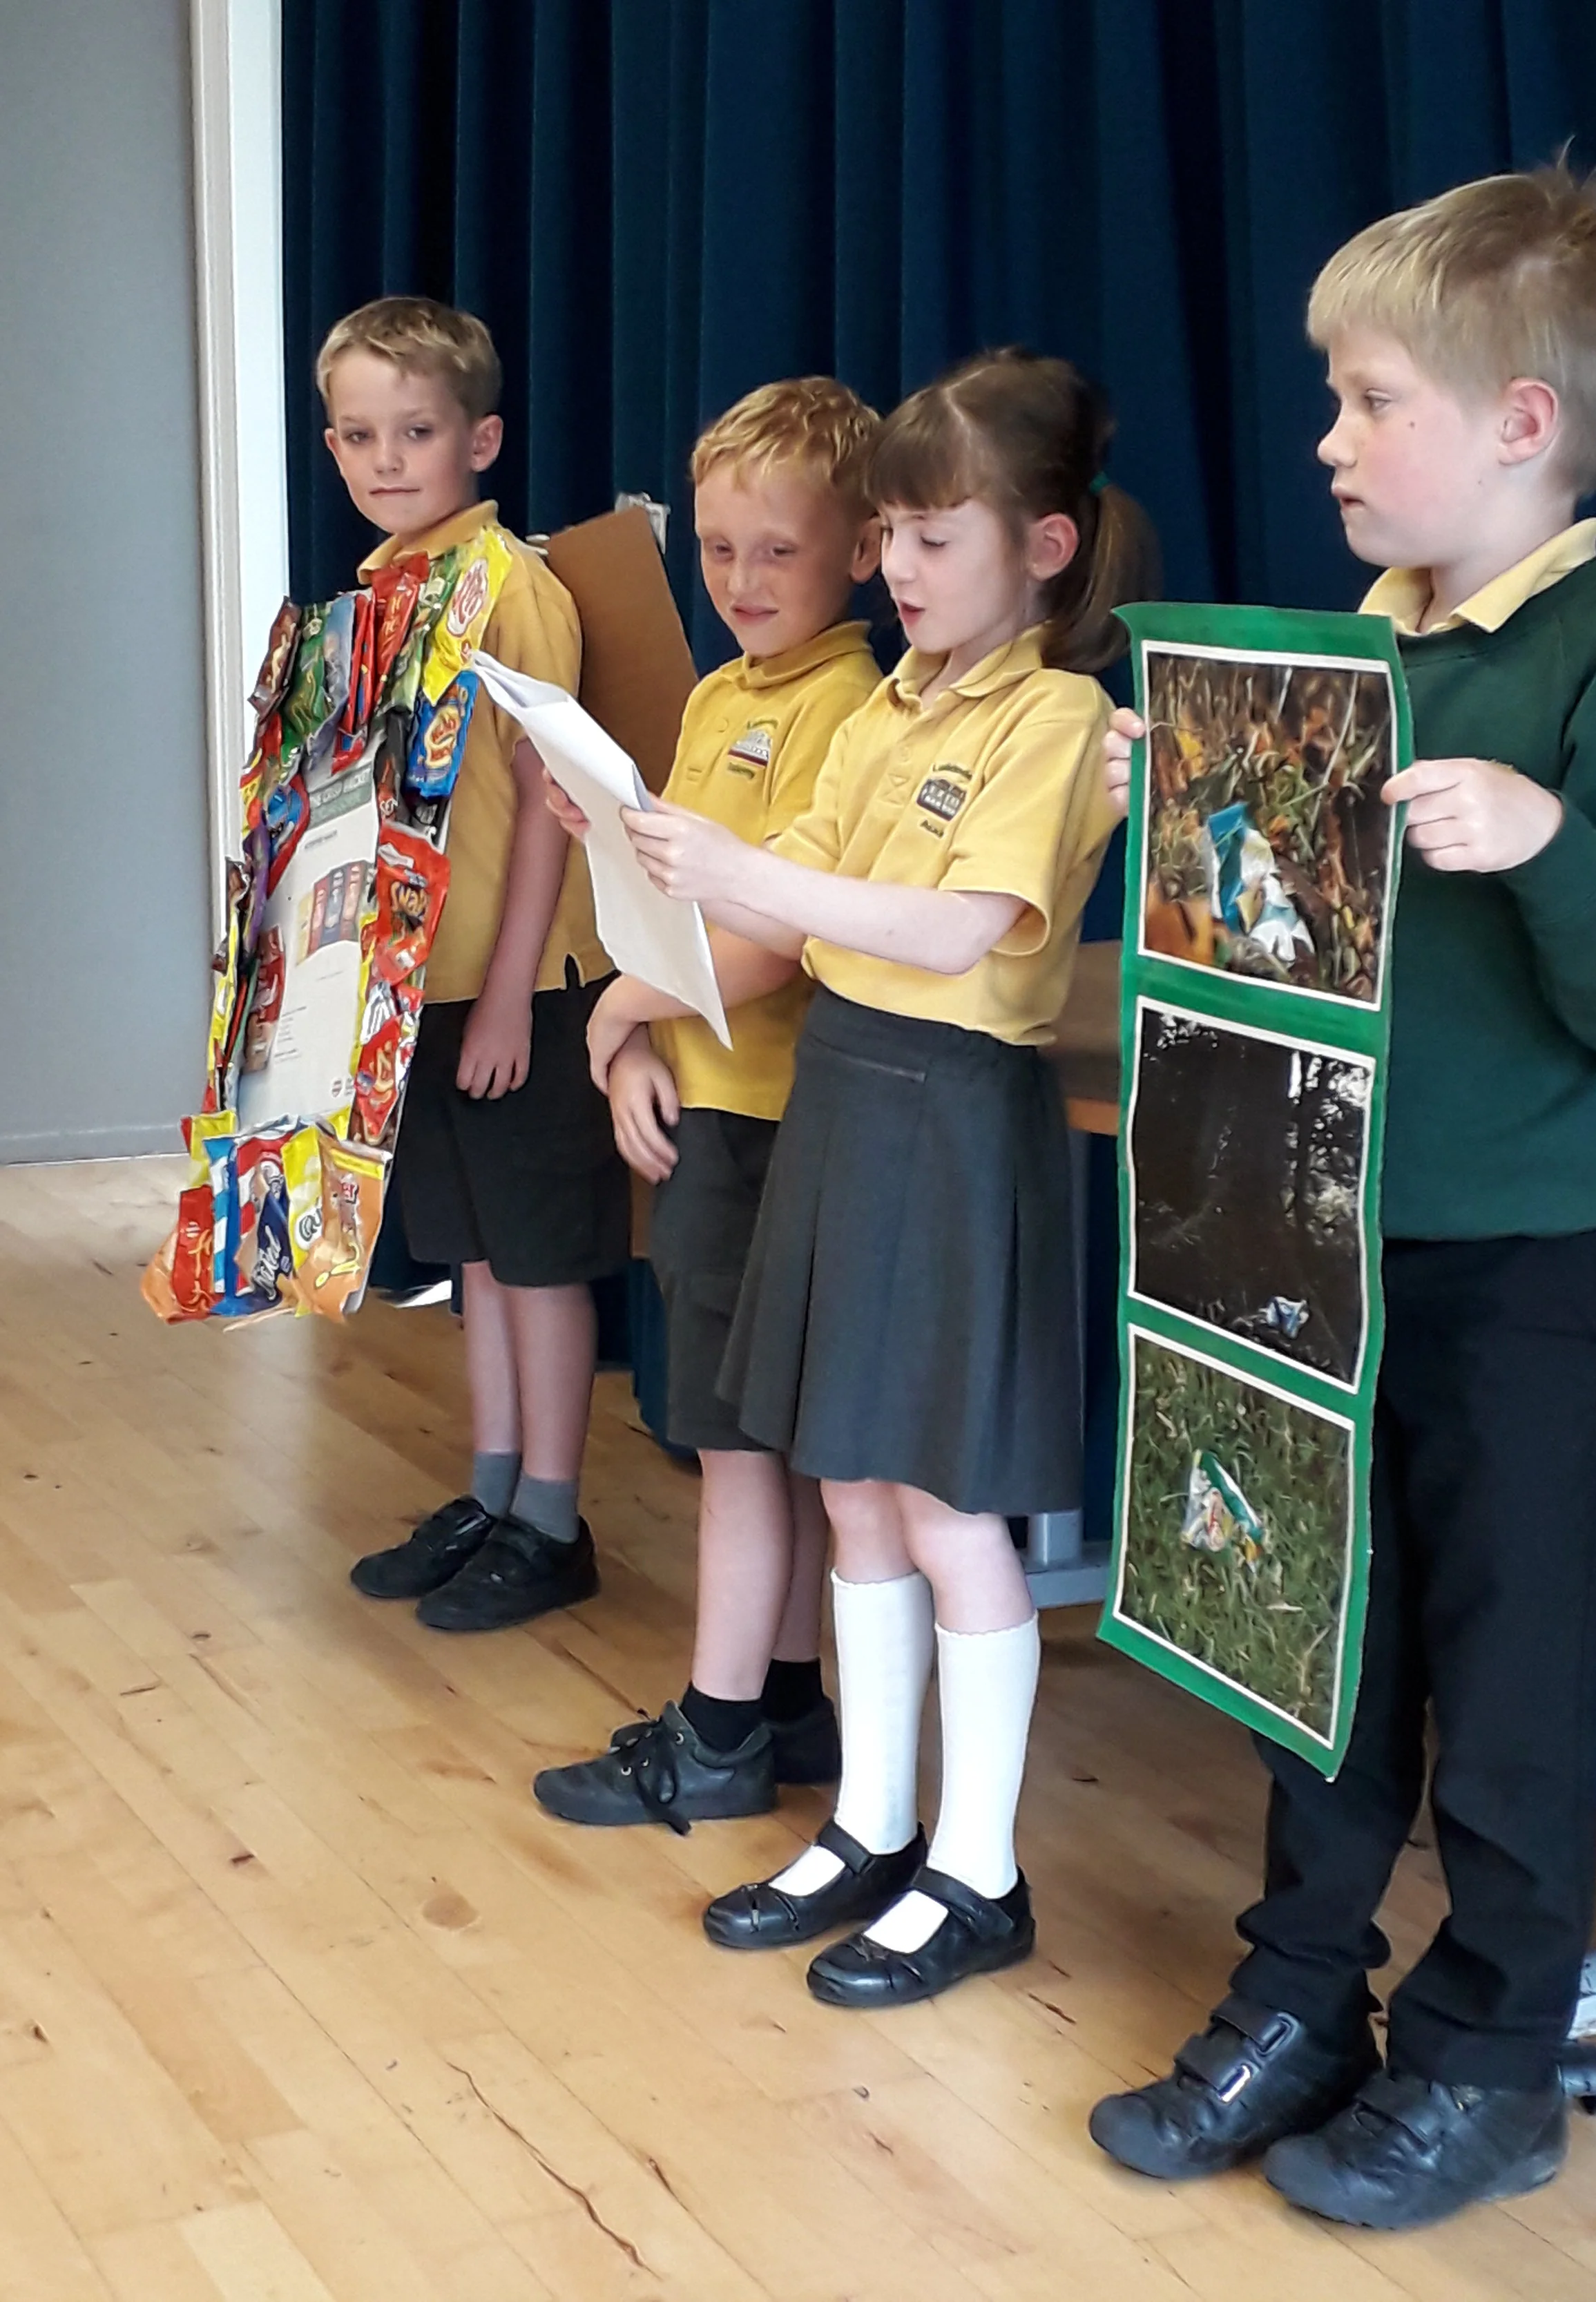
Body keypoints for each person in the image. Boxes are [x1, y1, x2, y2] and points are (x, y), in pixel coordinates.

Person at [1089, 163, 1596, 2229]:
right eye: (1333, 400)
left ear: (1521, 422)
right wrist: (1175, 798)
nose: (1327, 442)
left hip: (1520, 1262)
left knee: (1509, 1665)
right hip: (1306, 1237)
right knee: (1315, 1638)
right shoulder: (1337, 654)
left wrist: (1543, 839)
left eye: (1369, 402)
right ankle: (1300, 1992)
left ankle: (1491, 2054)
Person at [612, 348, 1155, 2004]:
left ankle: (976, 1868)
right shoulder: (895, 701)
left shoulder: (1055, 716)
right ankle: (870, 1821)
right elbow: (790, 895)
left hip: (947, 1106)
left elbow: (951, 929)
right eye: (893, 537)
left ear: (1040, 547)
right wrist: (647, 890)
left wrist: (740, 872)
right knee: (849, 1480)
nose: (899, 569)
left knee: (938, 1498)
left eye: (933, 537)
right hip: (844, 1094)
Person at [531, 378, 883, 1829]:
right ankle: (785, 1703)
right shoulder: (721, 697)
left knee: (738, 1449)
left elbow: (777, 934)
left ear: (864, 548)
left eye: (777, 551)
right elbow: (662, 906)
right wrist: (631, 1037)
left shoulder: (847, 706)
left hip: (775, 1117)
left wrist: (624, 1014)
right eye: (721, 548)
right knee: (751, 1440)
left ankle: (719, 1730)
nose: (741, 579)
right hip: (706, 1100)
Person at [334, 297, 628, 1632]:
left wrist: (510, 991)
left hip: (527, 987)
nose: (385, 459)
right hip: (421, 987)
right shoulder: (376, 593)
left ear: (482, 440)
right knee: (478, 1260)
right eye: (358, 436)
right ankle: (496, 1490)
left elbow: (552, 809)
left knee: (540, 1258)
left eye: (415, 431)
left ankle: (553, 1521)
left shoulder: (513, 587)